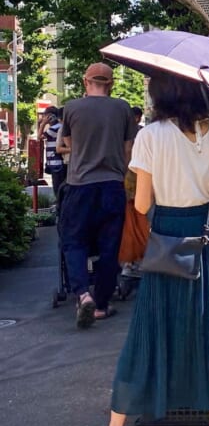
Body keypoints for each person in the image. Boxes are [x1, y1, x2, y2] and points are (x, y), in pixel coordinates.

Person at [80, 72, 209, 426]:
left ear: (162, 93)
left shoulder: (150, 136)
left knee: (152, 328)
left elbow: (143, 204)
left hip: (170, 238)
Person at [57, 63, 138, 328]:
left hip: (80, 186)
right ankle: (102, 304)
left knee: (74, 241)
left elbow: (68, 144)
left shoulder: (71, 108)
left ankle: (82, 294)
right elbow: (129, 150)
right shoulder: (123, 108)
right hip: (113, 185)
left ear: (85, 81)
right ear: (111, 84)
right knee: (109, 248)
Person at [37, 106, 67, 202]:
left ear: (51, 116)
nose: (44, 118)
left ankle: (60, 211)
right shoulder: (57, 127)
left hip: (57, 164)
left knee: (58, 190)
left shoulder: (55, 128)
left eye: (46, 116)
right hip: (56, 163)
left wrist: (43, 124)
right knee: (60, 189)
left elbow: (39, 137)